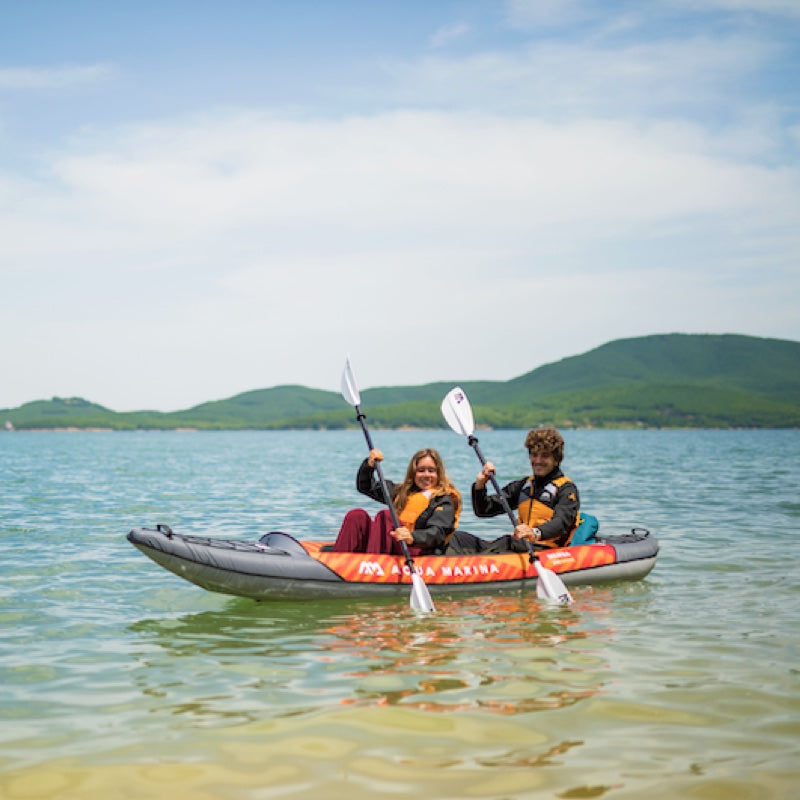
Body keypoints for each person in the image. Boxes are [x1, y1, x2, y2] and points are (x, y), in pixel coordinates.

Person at [332, 447, 461, 556]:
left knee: (386, 516)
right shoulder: (401, 492)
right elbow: (365, 487)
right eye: (421, 470)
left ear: (439, 474)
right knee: (357, 515)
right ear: (413, 473)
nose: (426, 475)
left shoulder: (443, 499)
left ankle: (374, 565)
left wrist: (413, 537)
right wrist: (369, 466)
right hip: (394, 545)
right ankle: (337, 563)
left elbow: (438, 533)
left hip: (417, 549)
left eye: (431, 471)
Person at [471, 427, 580, 551]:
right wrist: (480, 485)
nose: (538, 461)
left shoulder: (566, 489)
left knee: (506, 542)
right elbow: (483, 510)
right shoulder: (523, 486)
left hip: (545, 549)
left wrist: (534, 533)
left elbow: (561, 522)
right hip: (520, 545)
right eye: (534, 455)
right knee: (460, 539)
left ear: (556, 460)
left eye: (544, 456)